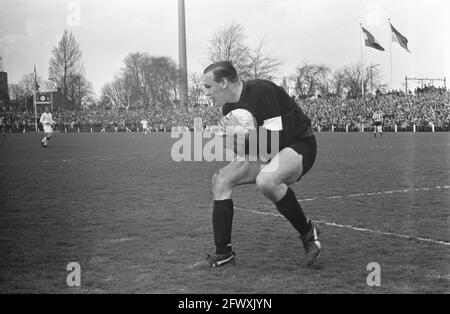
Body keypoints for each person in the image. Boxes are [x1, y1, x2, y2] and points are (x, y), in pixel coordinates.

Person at [194, 61, 320, 268]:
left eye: (208, 86)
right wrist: (232, 141)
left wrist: (242, 136)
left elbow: (272, 143)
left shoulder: (262, 92)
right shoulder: (229, 108)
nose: (207, 92)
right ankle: (223, 254)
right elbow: (251, 150)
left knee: (266, 180)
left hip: (298, 144)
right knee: (221, 181)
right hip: (266, 150)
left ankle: (308, 234)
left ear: (224, 82)